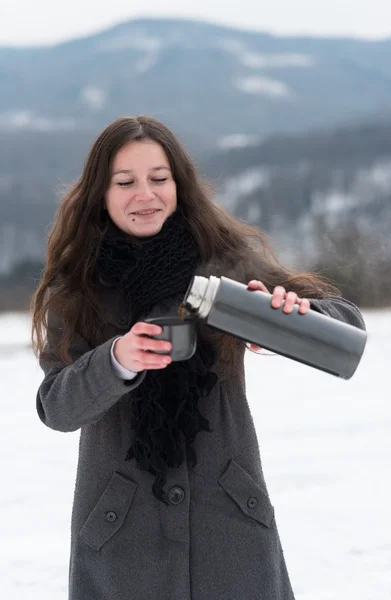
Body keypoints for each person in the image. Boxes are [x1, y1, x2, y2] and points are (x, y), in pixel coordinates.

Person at [31, 115, 366, 600]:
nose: (145, 194)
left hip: (228, 524)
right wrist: (117, 359)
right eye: (125, 182)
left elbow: (346, 328)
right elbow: (56, 407)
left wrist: (297, 313)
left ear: (179, 185)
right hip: (122, 535)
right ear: (100, 194)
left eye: (159, 179)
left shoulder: (224, 261)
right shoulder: (76, 289)